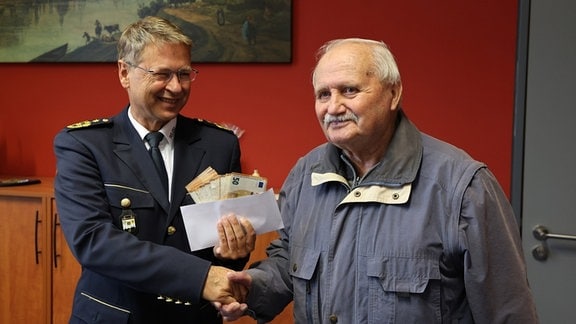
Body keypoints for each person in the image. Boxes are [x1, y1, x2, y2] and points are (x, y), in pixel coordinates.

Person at [217, 38, 540, 323]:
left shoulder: (463, 186)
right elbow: (289, 260)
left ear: (393, 93)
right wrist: (253, 286)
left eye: (349, 90)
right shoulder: (306, 174)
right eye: (323, 94)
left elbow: (507, 313)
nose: (333, 107)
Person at [54, 16, 255, 324]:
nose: (175, 87)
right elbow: (93, 241)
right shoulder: (84, 145)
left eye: (184, 74)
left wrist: (233, 253)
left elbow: (222, 250)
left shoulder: (219, 144)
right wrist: (203, 278)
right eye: (162, 74)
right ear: (125, 73)